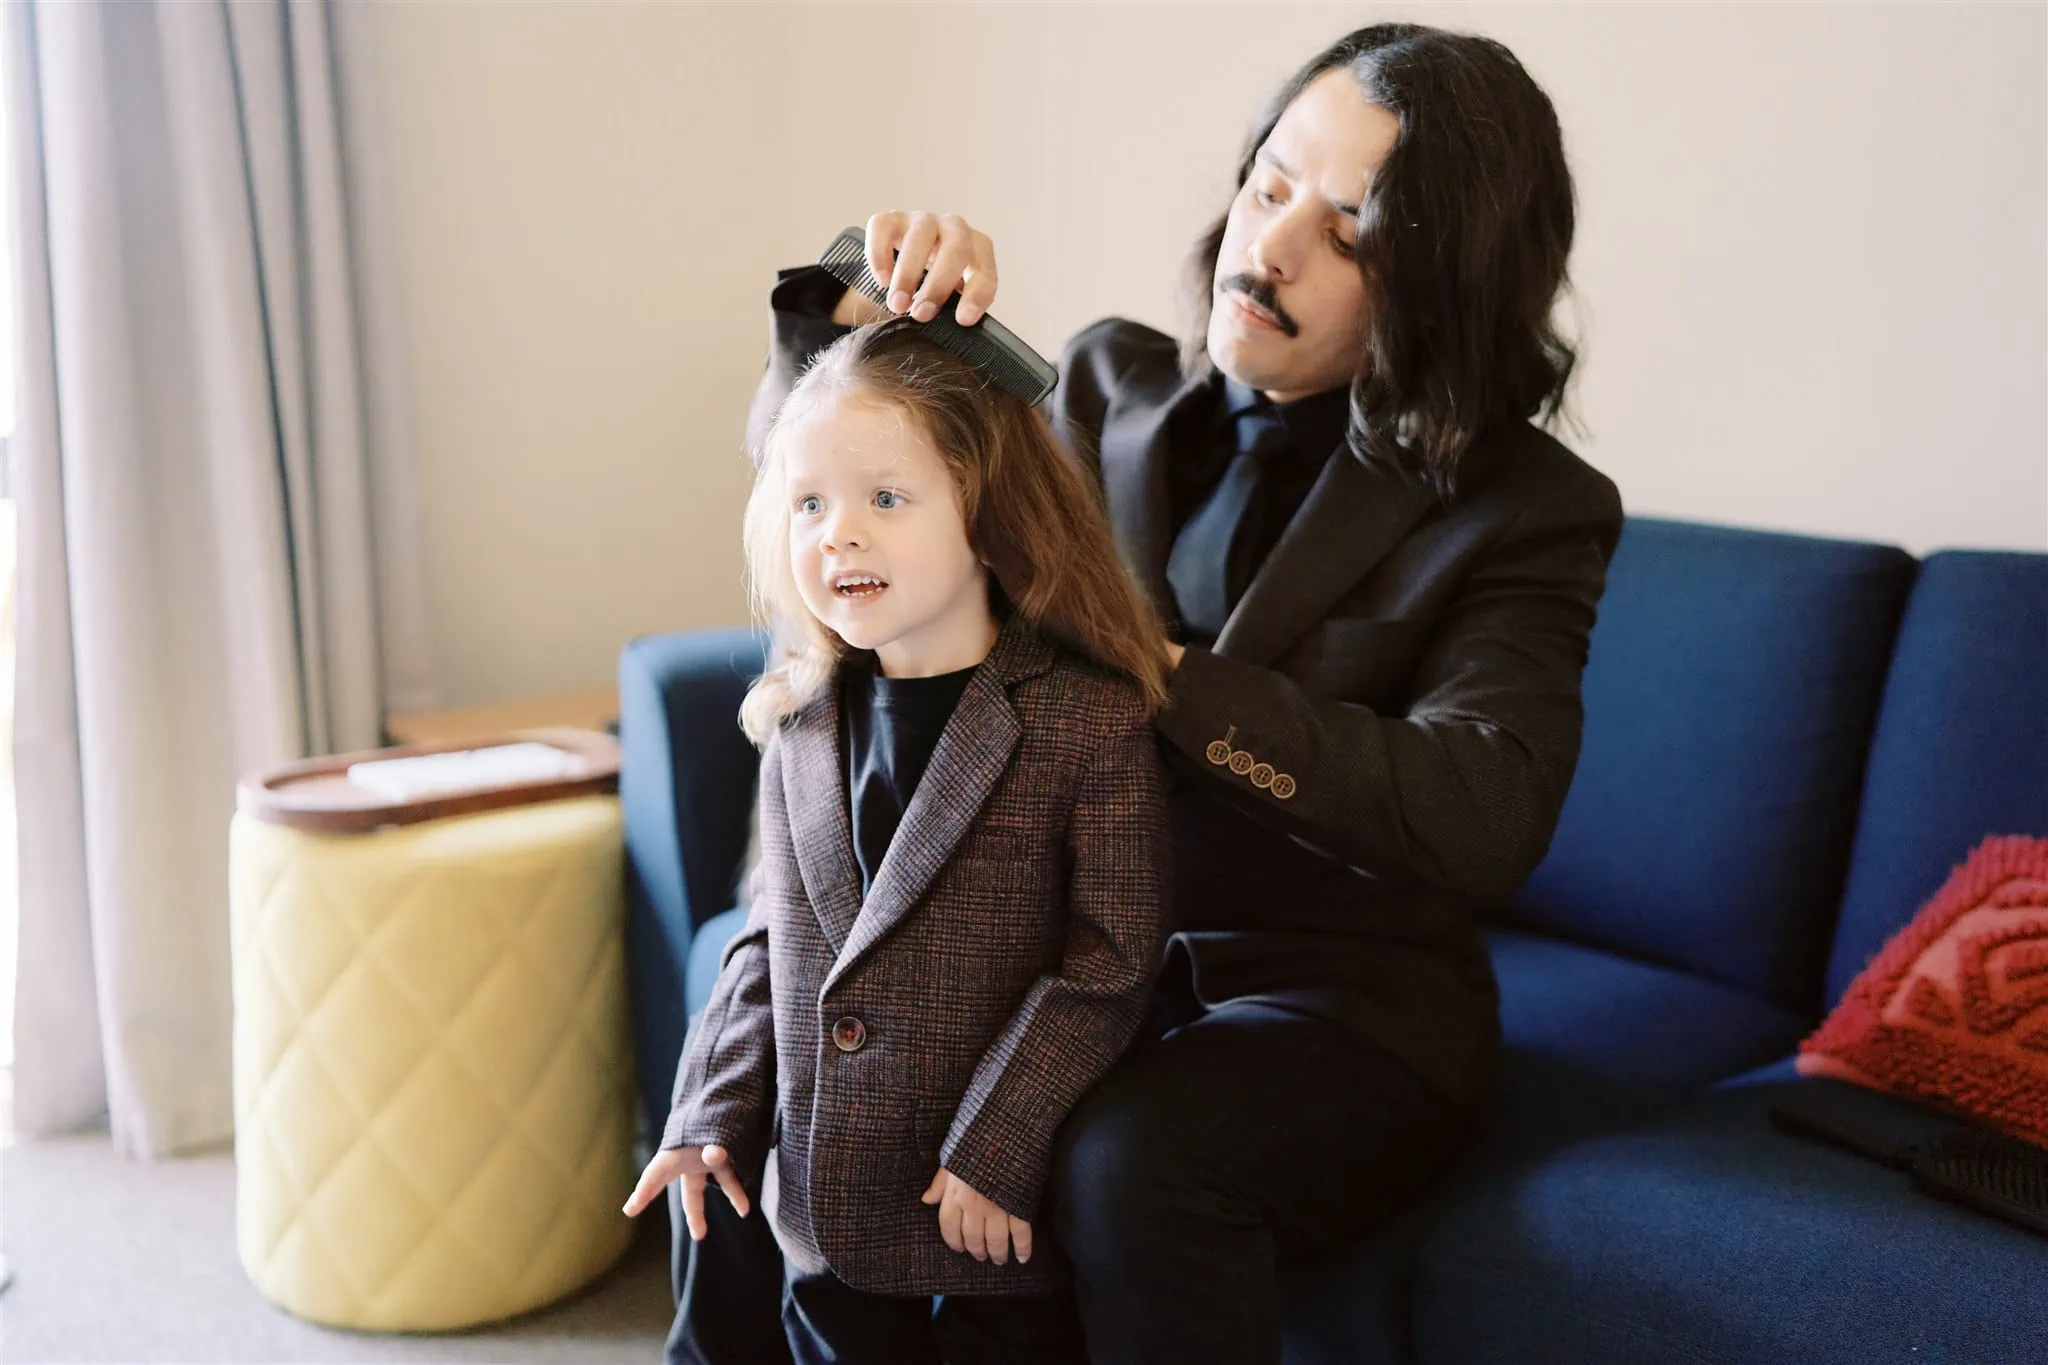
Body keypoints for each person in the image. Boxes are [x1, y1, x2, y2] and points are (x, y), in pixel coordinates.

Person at [674, 21, 1624, 1365]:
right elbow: (822, 468)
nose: (1268, 247)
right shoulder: (1099, 387)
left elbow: (1482, 811)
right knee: (778, 1002)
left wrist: (1159, 673)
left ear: (1443, 289)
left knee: (1123, 1159)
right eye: (1269, 183)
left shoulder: (1525, 507)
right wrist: (848, 293)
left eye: (1348, 234)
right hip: (1046, 942)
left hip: (1329, 1003)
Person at [623, 319, 1173, 1365]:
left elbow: (1108, 965)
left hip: (987, 1221)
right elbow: (766, 944)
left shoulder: (1085, 720)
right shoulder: (796, 721)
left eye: (885, 498)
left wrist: (998, 1144)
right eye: (810, 503)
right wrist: (707, 1107)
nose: (839, 534)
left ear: (989, 517)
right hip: (827, 1216)